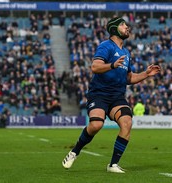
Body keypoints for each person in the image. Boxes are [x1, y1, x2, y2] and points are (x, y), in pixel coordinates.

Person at [62, 17, 161, 173]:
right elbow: (95, 67)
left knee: (127, 122)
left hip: (117, 96)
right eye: (123, 25)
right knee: (96, 125)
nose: (127, 27)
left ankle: (113, 165)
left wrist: (146, 74)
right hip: (99, 94)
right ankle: (75, 151)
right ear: (114, 29)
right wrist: (113, 65)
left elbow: (128, 78)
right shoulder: (106, 46)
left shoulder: (126, 52)